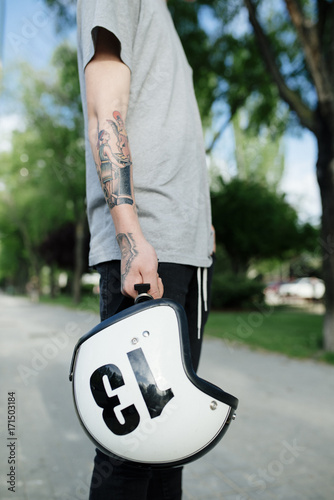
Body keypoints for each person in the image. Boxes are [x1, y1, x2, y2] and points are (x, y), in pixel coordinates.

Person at [76, 0, 214, 498]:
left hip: (184, 249)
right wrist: (131, 234)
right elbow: (104, 109)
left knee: (171, 442)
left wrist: (206, 231)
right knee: (133, 450)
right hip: (151, 245)